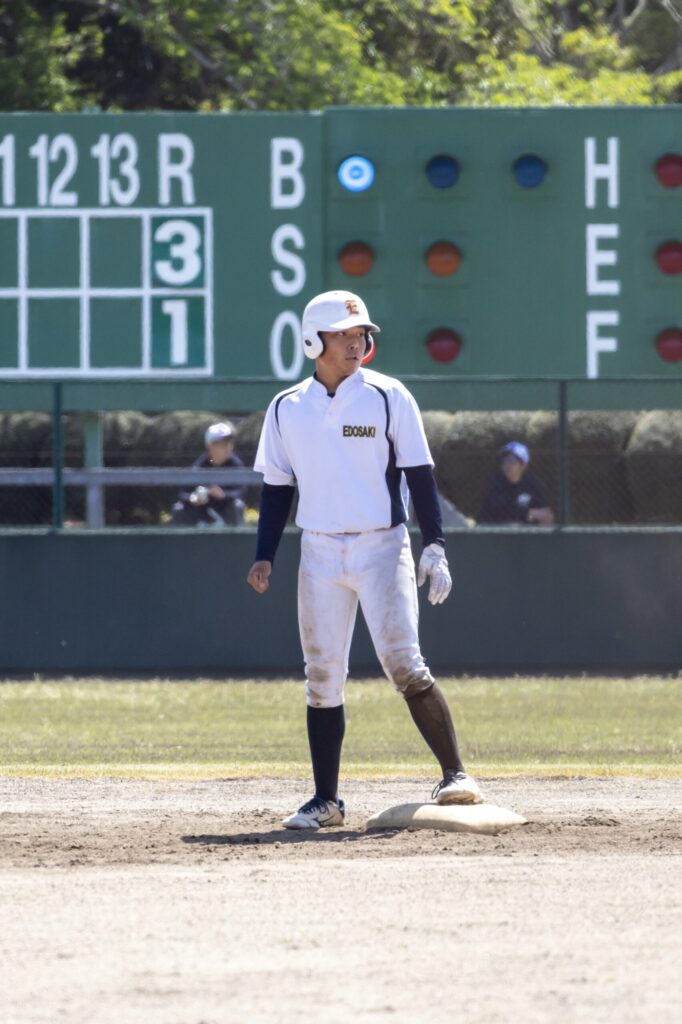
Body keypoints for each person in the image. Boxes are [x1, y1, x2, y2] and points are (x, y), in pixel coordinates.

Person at [247, 289, 482, 830]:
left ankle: (456, 774)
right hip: (319, 548)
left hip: (382, 544)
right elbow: (277, 487)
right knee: (321, 676)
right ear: (314, 341)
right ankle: (326, 801)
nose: (357, 343)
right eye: (345, 334)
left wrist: (435, 545)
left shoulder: (388, 395)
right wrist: (264, 555)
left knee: (404, 663)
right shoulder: (286, 407)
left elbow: (420, 474)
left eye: (361, 334)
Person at [171, 421, 246, 527]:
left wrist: (223, 495)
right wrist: (193, 498)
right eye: (222, 444)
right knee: (179, 509)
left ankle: (234, 538)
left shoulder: (235, 464)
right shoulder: (200, 465)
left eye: (230, 443)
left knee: (237, 505)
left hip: (225, 508)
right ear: (210, 446)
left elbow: (240, 492)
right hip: (202, 511)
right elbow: (183, 493)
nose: (228, 447)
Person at [478, 441, 554, 525]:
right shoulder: (495, 485)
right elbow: (487, 516)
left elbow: (547, 516)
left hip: (526, 532)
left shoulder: (534, 486)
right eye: (504, 460)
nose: (507, 464)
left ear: (523, 465)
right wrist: (526, 513)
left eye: (511, 461)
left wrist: (529, 514)